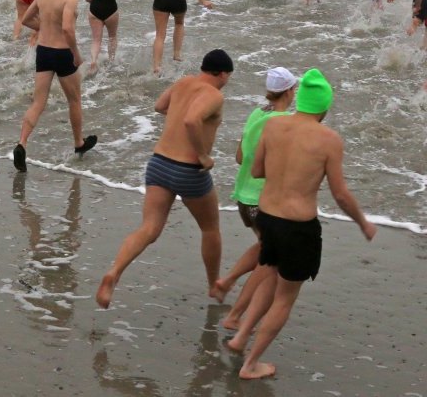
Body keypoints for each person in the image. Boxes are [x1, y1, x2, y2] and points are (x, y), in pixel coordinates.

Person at [226, 70, 377, 380]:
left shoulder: (274, 125)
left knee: (268, 275)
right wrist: (363, 223)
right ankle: (251, 363)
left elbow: (255, 169)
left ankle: (241, 338)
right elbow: (341, 194)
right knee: (284, 297)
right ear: (324, 107)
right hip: (298, 228)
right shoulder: (329, 139)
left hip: (267, 218)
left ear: (301, 98)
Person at [96, 49, 235, 309]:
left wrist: (179, 115)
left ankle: (114, 273)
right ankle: (214, 285)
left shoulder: (183, 82)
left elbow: (160, 106)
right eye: (228, 76)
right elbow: (192, 121)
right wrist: (203, 155)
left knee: (148, 229)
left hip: (159, 164)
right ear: (223, 73)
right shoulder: (214, 95)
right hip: (189, 170)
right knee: (210, 228)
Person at [215, 67, 298, 331]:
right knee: (271, 258)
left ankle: (227, 281)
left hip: (243, 196)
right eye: (294, 88)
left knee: (264, 246)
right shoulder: (284, 122)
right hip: (263, 201)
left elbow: (239, 157)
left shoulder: (256, 113)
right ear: (288, 91)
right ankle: (236, 314)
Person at [12, 0, 98, 170]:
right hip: (62, 53)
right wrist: (76, 54)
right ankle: (79, 143)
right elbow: (68, 29)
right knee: (74, 100)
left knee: (38, 102)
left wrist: (44, 29)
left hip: (43, 51)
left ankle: (21, 143)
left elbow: (25, 19)